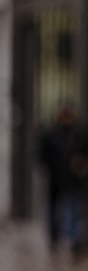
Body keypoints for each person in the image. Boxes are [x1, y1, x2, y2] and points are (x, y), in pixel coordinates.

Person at [38, 102, 87, 255]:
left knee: (73, 209)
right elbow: (42, 155)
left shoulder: (78, 134)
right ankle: (54, 239)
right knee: (54, 211)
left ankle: (74, 241)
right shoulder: (51, 134)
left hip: (73, 180)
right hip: (55, 179)